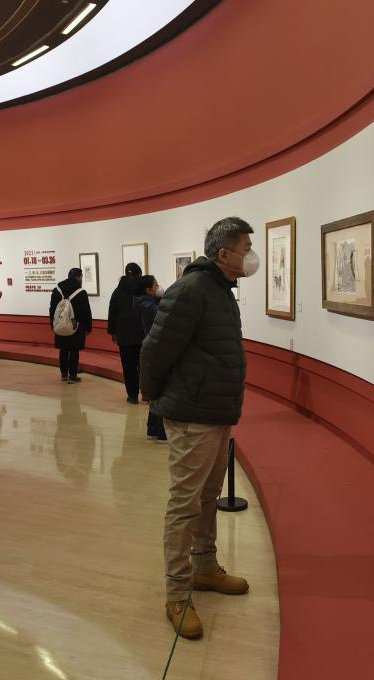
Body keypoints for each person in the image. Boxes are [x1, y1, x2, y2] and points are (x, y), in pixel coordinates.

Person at [140, 216, 257, 640]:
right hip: (192, 414)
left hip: (214, 410)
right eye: (245, 249)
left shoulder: (220, 290)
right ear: (224, 254)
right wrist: (154, 397)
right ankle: (176, 593)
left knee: (208, 496)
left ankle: (205, 567)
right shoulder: (191, 290)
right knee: (185, 503)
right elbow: (156, 349)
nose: (250, 257)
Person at [133, 274, 167, 443]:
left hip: (153, 349)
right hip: (156, 350)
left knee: (156, 392)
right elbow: (162, 316)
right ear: (148, 290)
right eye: (155, 285)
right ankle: (161, 432)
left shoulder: (145, 302)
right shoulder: (146, 305)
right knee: (160, 392)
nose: (158, 287)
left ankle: (153, 430)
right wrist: (165, 299)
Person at [108, 262, 144, 404]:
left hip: (124, 335)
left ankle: (133, 395)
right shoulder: (142, 290)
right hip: (142, 333)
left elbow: (112, 312)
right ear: (139, 273)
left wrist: (113, 332)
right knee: (144, 365)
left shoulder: (117, 291)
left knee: (128, 366)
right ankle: (146, 394)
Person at [49, 267, 92, 384]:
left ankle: (64, 374)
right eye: (81, 277)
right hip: (75, 326)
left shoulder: (57, 290)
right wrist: (88, 327)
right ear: (78, 277)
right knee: (74, 350)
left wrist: (53, 324)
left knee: (63, 349)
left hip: (60, 324)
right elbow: (86, 311)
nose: (82, 279)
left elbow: (52, 309)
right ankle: (73, 376)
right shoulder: (81, 292)